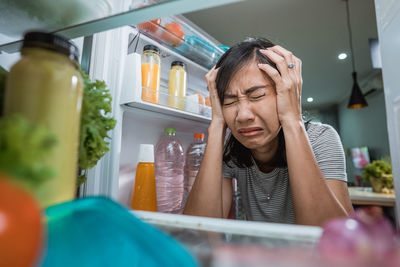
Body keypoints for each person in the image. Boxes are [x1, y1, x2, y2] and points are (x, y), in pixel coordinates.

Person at [183, 38, 354, 226]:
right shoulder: (232, 150)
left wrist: (292, 119)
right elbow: (199, 231)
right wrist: (216, 123)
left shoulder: (320, 138)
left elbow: (333, 237)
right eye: (229, 101)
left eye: (256, 95)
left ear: (285, 93)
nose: (243, 115)